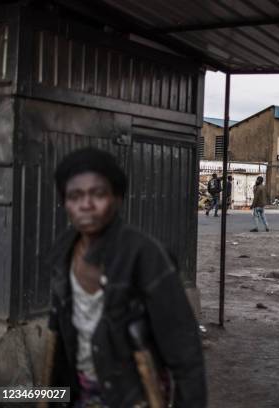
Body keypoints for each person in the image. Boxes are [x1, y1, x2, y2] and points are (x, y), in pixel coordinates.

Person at [43, 147, 206, 407]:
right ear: (65, 202)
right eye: (75, 195)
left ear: (117, 199)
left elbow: (185, 353)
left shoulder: (146, 256)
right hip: (79, 393)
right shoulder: (62, 257)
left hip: (134, 397)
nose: (86, 204)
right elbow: (60, 347)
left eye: (98, 194)